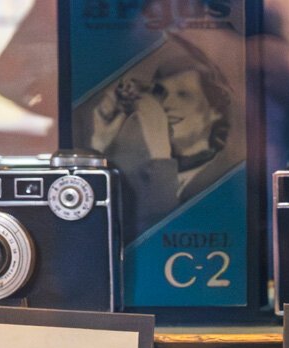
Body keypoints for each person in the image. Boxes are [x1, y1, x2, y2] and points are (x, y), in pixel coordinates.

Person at [90, 42, 238, 236]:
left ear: (215, 110)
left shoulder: (228, 180)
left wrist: (160, 152)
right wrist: (100, 144)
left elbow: (164, 238)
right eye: (161, 94)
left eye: (183, 94)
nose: (166, 104)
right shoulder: (137, 177)